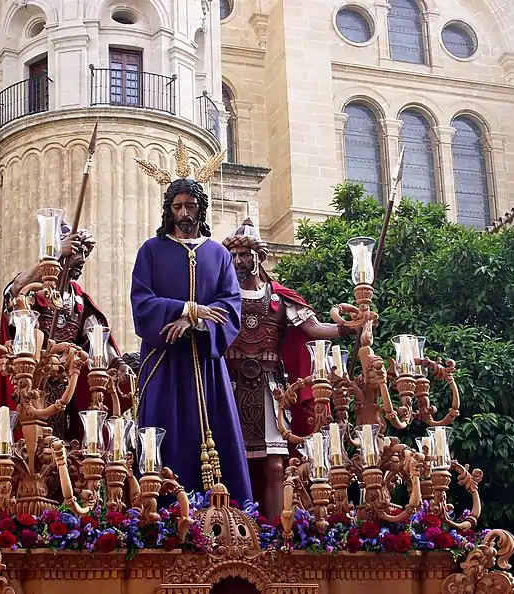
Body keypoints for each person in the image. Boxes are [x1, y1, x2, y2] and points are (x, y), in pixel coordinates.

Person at [131, 140, 251, 504]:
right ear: (168, 210)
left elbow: (230, 305)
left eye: (191, 205)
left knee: (216, 434)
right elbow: (141, 301)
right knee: (163, 434)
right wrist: (188, 310)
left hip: (205, 365)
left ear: (201, 209)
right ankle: (160, 513)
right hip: (163, 363)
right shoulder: (151, 251)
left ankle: (226, 516)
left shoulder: (218, 254)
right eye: (178, 206)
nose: (184, 212)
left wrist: (197, 324)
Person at [222, 218, 352, 519]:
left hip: (270, 387)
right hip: (229, 386)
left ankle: (274, 533)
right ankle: (234, 529)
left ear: (258, 257)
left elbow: (313, 328)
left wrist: (346, 329)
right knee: (229, 461)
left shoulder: (279, 297)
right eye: (234, 255)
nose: (239, 261)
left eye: (245, 254)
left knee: (275, 463)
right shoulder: (223, 297)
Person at [0, 222, 131, 441]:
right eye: (77, 251)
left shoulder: (80, 302)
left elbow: (98, 341)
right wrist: (54, 253)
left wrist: (119, 365)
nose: (82, 259)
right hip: (32, 384)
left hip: (66, 389)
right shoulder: (32, 292)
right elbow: (15, 291)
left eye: (85, 253)